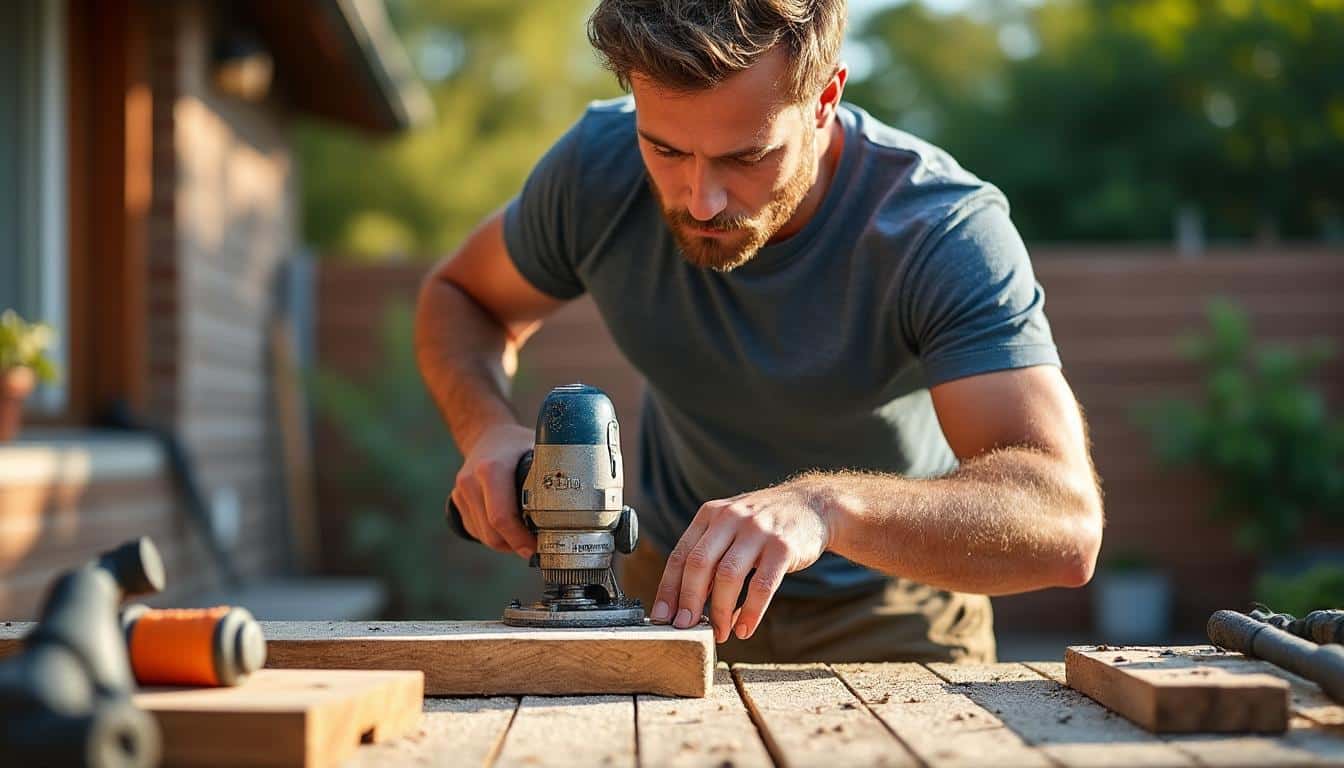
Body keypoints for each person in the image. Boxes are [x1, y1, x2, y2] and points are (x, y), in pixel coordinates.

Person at [414, 0, 1103, 663]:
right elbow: (460, 297)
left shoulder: (941, 231)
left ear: (826, 97)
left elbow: (1063, 522)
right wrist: (487, 431)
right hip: (670, 591)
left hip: (889, 609)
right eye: (665, 148)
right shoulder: (594, 170)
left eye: (747, 157)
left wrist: (825, 509)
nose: (700, 199)